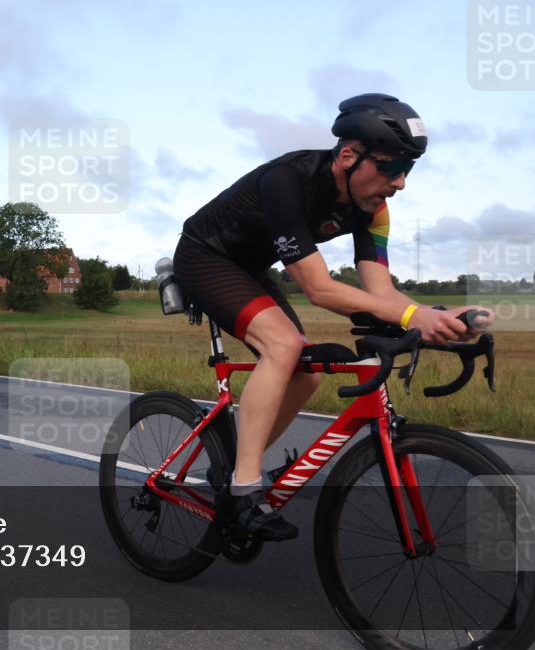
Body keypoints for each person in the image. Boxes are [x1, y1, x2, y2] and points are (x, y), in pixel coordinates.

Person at [173, 93, 493, 540]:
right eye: (391, 167)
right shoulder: (287, 180)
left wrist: (437, 316)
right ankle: (242, 490)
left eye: (408, 169)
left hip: (249, 268)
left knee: (304, 373)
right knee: (282, 346)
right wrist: (413, 315)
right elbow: (319, 289)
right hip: (204, 256)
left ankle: (229, 468)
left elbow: (380, 292)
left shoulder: (375, 210)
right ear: (348, 155)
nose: (400, 183)